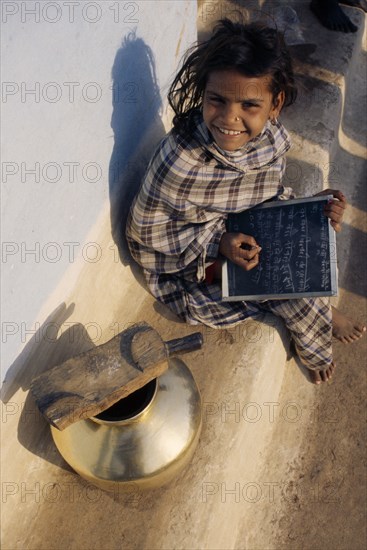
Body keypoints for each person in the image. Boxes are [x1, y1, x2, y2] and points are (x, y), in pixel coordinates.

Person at [126, 19, 365, 385]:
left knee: (305, 259)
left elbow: (264, 194)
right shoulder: (181, 160)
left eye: (249, 105)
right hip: (187, 260)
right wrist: (218, 243)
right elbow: (147, 231)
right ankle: (317, 333)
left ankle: (320, 311)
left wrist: (306, 211)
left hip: (243, 230)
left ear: (275, 104)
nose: (228, 119)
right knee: (283, 286)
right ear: (203, 93)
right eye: (216, 100)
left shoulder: (269, 141)